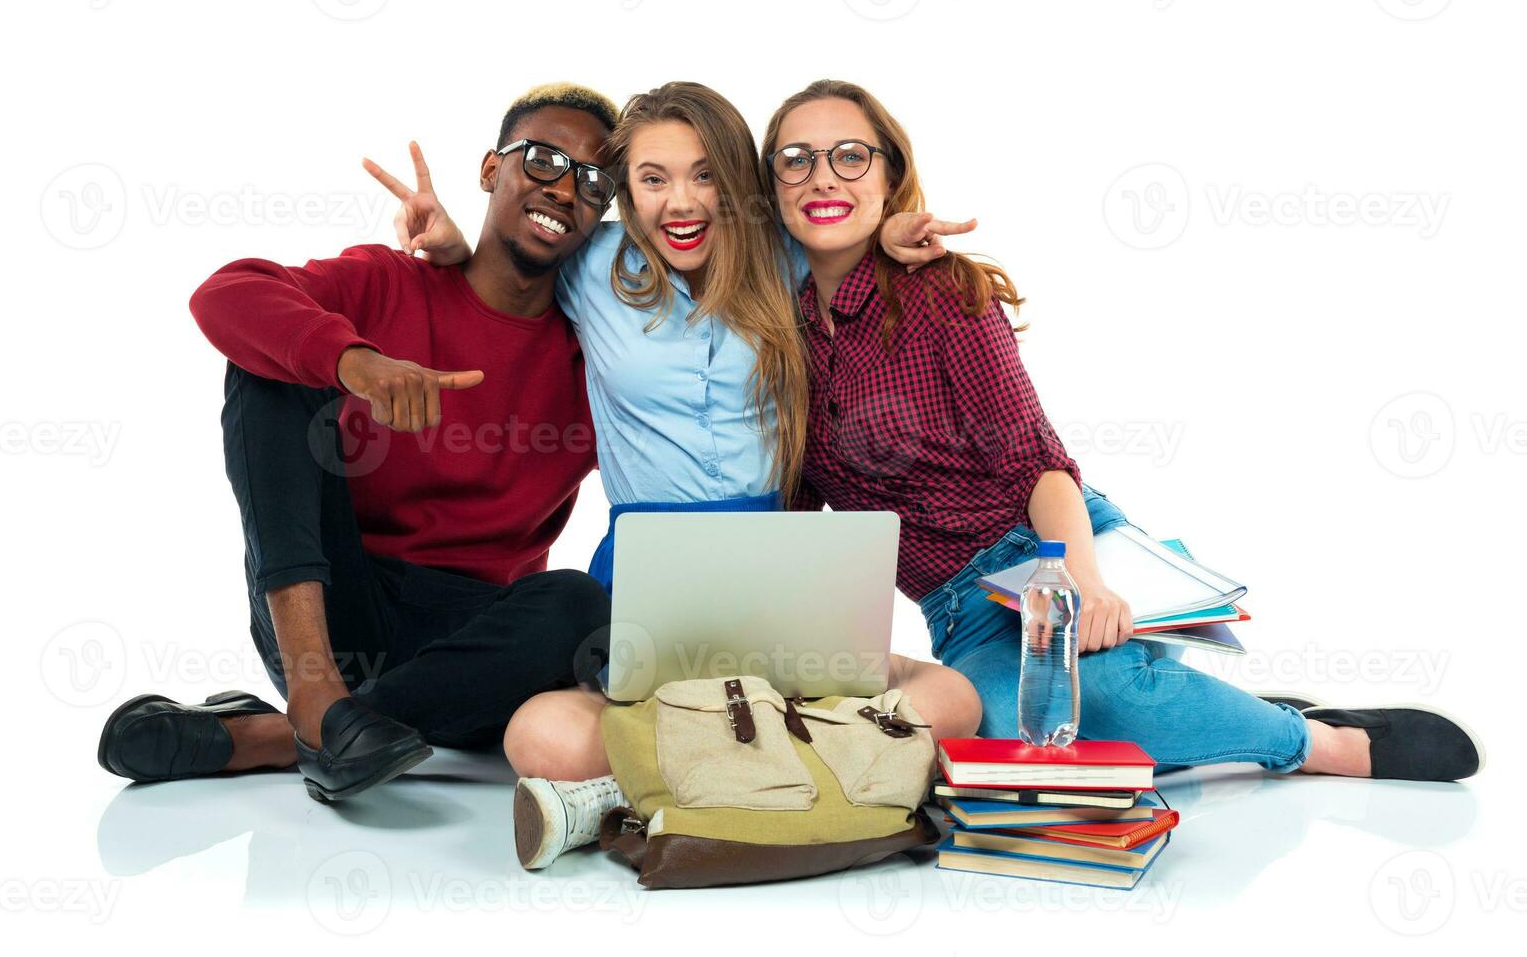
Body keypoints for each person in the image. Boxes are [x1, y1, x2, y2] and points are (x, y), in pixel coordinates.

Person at [762, 79, 1484, 785]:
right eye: (796, 160)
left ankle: (1318, 741)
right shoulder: (774, 333)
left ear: (889, 174)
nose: (822, 176)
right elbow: (803, 520)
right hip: (961, 610)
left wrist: (1079, 584)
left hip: (1044, 547)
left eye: (850, 156)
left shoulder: (944, 293)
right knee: (1014, 744)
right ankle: (1208, 718)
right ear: (771, 188)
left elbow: (1038, 464)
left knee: (1106, 699)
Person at [381, 81, 984, 868]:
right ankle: (796, 773)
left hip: (779, 575)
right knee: (539, 737)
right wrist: (457, 244)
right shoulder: (591, 264)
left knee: (957, 701)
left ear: (735, 181)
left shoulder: (783, 254)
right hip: (642, 578)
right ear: (626, 190)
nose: (681, 202)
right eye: (654, 178)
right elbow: (513, 265)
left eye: (704, 175)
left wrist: (894, 231)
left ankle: (628, 794)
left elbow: (853, 230)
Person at [96, 84, 623, 803]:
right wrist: (354, 361)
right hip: (330, 609)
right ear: (490, 170)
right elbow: (226, 292)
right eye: (542, 160)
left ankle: (278, 737)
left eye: (593, 181)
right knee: (272, 362)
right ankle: (315, 699)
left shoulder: (598, 362)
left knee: (577, 605)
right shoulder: (390, 281)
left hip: (471, 647)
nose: (564, 189)